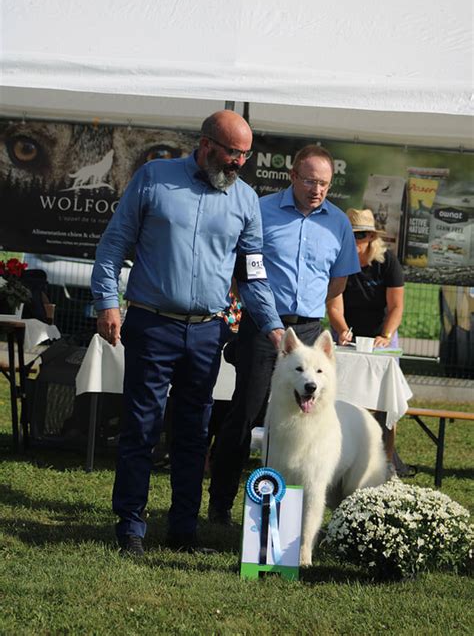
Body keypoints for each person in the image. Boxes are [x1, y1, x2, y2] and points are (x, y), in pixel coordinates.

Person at [91, 110, 284, 556]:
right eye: (232, 153)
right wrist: (106, 302)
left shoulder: (246, 201)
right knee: (141, 426)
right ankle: (131, 528)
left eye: (245, 155)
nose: (239, 163)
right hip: (151, 323)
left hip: (206, 333)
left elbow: (253, 276)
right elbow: (114, 243)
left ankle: (183, 531)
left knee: (194, 433)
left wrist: (274, 329)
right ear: (206, 144)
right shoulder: (154, 178)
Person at [208, 144, 360, 524]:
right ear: (292, 176)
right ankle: (220, 506)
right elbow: (241, 271)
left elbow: (337, 284)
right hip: (262, 326)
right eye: (310, 181)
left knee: (305, 421)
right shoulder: (261, 211)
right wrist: (265, 316)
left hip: (308, 329)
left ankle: (289, 513)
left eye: (324, 183)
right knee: (246, 412)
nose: (317, 189)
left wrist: (330, 321)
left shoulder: (338, 222)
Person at [326, 207, 409, 474]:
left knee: (384, 401)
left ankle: (386, 460)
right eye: (352, 235)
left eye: (362, 235)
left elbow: (396, 306)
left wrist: (385, 336)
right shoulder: (339, 261)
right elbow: (334, 307)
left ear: (372, 237)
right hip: (348, 337)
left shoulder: (388, 262)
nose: (357, 240)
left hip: (381, 336)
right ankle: (339, 455)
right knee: (341, 395)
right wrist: (342, 330)